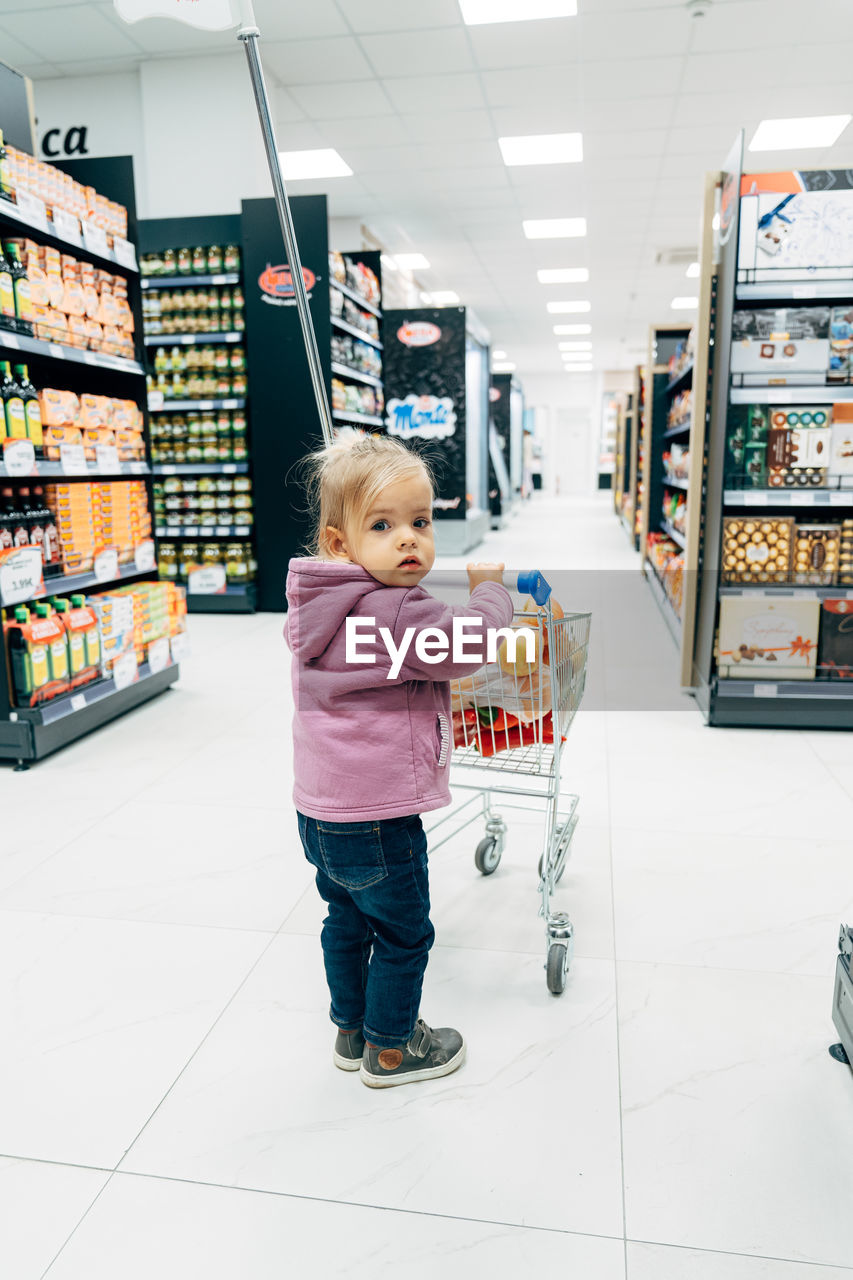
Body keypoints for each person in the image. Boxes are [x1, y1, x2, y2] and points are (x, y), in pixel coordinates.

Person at [285, 432, 513, 1088]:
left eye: (420, 521)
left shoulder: (316, 606)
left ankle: (350, 1029)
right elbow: (464, 646)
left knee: (346, 920)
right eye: (382, 525)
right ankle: (390, 1049)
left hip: (320, 811)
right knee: (406, 934)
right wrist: (489, 594)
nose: (409, 539)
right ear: (339, 543)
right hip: (379, 816)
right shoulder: (395, 608)